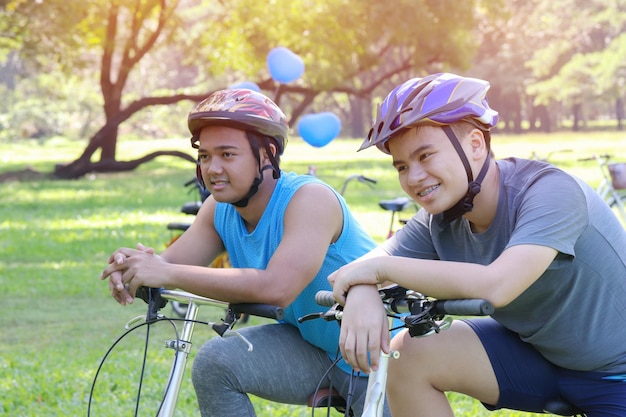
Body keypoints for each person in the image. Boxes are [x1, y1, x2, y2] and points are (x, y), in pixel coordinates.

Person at [328, 73, 626, 417]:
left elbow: (497, 286)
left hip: (617, 373)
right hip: (539, 358)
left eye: (425, 156)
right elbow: (347, 275)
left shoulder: (552, 192)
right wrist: (364, 290)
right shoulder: (440, 220)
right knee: (407, 356)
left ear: (475, 144)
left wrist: (379, 271)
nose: (413, 178)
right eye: (402, 166)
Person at [100, 88, 391, 417]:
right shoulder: (218, 209)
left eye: (227, 154)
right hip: (316, 349)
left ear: (266, 155)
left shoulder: (310, 199)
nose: (212, 169)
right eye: (205, 156)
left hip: (384, 354)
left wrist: (165, 272)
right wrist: (132, 268)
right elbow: (168, 264)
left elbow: (277, 288)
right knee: (215, 362)